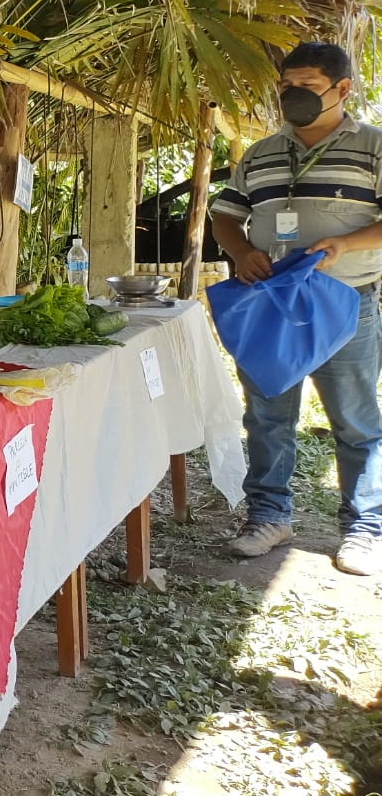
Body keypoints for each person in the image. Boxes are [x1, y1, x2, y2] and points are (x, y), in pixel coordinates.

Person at [209, 42, 382, 575]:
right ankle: (268, 516)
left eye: (306, 86)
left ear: (342, 89)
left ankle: (365, 527)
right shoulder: (259, 153)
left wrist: (343, 247)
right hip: (270, 306)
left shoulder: (374, 147)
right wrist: (240, 252)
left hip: (346, 304)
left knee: (354, 421)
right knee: (266, 416)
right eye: (286, 85)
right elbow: (225, 216)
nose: (292, 95)